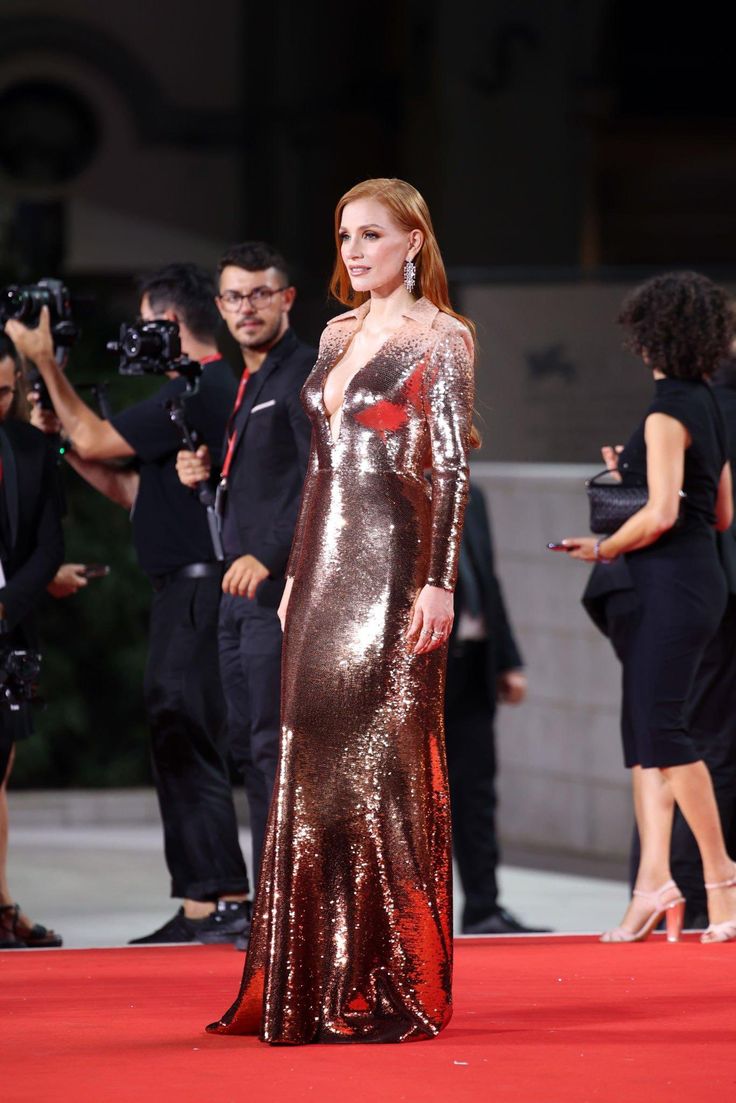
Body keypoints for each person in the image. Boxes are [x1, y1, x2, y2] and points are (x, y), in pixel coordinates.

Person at [207, 178, 476, 1044]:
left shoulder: (444, 336)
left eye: (370, 235)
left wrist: (439, 581)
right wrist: (294, 570)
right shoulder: (332, 333)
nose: (354, 251)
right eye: (344, 234)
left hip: (398, 573)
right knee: (309, 758)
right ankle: (310, 971)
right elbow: (319, 468)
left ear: (413, 243)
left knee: (391, 765)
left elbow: (450, 471)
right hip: (320, 571)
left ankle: (400, 973)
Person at [6, 265, 251, 945]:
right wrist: (60, 432)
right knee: (177, 737)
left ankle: (225, 900)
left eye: (146, 321)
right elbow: (129, 490)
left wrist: (46, 366)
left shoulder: (203, 387)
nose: (138, 335)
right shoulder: (187, 398)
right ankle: (206, 900)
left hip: (203, 590)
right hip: (182, 589)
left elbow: (97, 440)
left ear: (170, 324)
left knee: (190, 737)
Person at [562, 270, 736, 944]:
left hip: (667, 583)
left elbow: (664, 513)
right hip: (697, 580)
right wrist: (630, 472)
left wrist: (604, 546)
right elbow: (718, 512)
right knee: (647, 734)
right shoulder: (709, 406)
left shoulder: (666, 413)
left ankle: (720, 877)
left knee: (663, 732)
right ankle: (655, 883)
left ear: (648, 337)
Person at [176, 242, 313, 924]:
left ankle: (287, 913)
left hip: (278, 594)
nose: (245, 308)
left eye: (259, 293)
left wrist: (270, 551)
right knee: (253, 750)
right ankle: (274, 908)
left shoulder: (304, 372)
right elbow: (267, 477)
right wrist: (211, 481)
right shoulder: (252, 379)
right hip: (242, 598)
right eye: (233, 296)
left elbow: (325, 476)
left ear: (287, 298)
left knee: (276, 749)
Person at [446, 481, 548, 935]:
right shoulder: (391, 484)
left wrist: (508, 660)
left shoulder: (473, 493)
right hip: (420, 668)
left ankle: (484, 908)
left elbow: (488, 578)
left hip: (474, 663)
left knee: (477, 794)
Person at [0, 333, 64, 948]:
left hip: (8, 630)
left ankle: (2, 906)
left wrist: (5, 607)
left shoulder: (28, 447)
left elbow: (49, 546)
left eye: (3, 391)